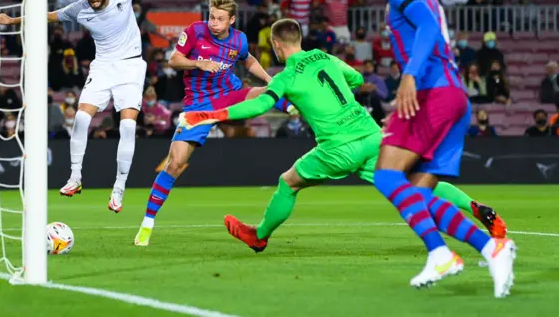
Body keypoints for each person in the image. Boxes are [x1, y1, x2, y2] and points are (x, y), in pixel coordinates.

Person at [180, 19, 506, 255]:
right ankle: (475, 207)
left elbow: (262, 104)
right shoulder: (324, 56)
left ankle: (259, 236)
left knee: (289, 182)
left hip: (338, 146)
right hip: (371, 134)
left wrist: (213, 114)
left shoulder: (287, 74)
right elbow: (353, 78)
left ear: (278, 45)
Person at [0, 0, 196, 213]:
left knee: (126, 126)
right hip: (102, 66)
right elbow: (49, 16)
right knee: (80, 117)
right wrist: (13, 21)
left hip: (130, 66)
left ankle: (119, 189)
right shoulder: (80, 8)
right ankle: (75, 177)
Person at [372, 0, 515, 297]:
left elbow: (428, 29)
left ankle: (443, 253)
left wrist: (409, 76)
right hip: (454, 98)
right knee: (417, 197)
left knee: (388, 177)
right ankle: (490, 248)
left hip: (432, 92)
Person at [133, 0, 296, 247]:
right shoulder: (196, 32)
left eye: (220, 19)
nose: (214, 23)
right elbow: (174, 60)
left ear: (231, 20)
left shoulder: (239, 39)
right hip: (198, 106)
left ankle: (291, 107)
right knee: (175, 164)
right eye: (212, 17)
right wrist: (200, 63)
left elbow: (248, 59)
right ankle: (146, 224)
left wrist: (267, 78)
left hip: (230, 94)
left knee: (269, 91)